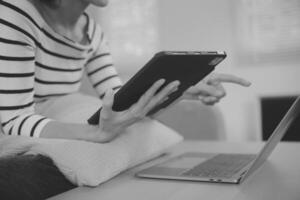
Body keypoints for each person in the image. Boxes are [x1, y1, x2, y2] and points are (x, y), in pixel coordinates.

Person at [0, 0, 251, 199]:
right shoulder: (15, 14)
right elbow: (12, 118)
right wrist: (95, 133)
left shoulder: (93, 32)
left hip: (55, 116)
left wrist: (184, 88)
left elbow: (120, 100)